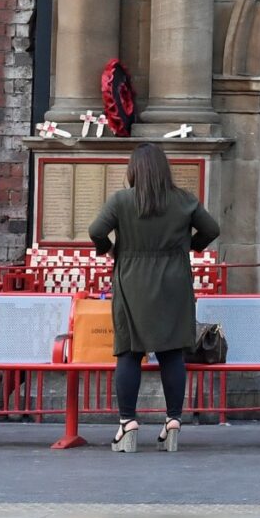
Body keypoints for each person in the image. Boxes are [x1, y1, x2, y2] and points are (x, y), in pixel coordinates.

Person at [88, 144, 221, 453]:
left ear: (134, 170)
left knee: (130, 352)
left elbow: (96, 230)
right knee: (172, 352)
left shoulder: (122, 201)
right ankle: (173, 421)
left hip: (132, 279)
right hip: (174, 280)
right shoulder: (184, 200)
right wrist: (189, 245)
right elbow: (212, 229)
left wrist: (109, 250)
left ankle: (127, 424)